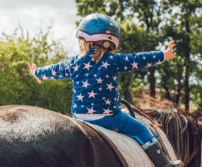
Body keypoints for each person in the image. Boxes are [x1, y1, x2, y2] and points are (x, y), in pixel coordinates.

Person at [28, 13, 182, 167]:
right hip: (108, 117)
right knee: (140, 130)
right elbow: (138, 59)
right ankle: (164, 164)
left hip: (79, 117)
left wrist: (37, 73)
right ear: (110, 43)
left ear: (85, 41)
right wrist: (163, 55)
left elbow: (55, 70)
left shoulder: (73, 63)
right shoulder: (113, 61)